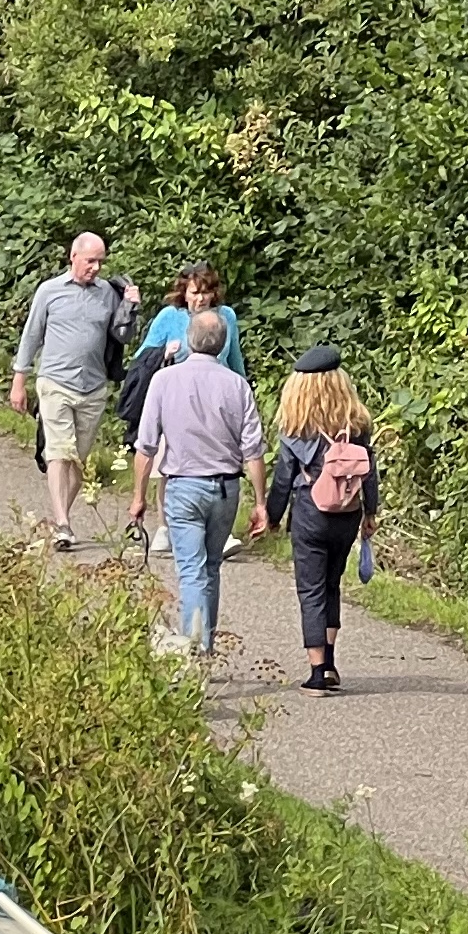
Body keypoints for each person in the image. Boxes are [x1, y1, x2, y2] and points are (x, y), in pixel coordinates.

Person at [129, 312, 266, 655]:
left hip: (184, 487)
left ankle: (196, 650)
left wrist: (138, 496)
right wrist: (261, 502)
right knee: (211, 567)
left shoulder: (164, 380)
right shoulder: (237, 385)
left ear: (190, 340)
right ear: (223, 344)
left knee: (191, 570)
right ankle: (206, 645)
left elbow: (146, 446)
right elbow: (253, 450)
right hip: (226, 488)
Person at [8, 231, 138, 552]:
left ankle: (59, 520)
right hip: (55, 383)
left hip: (93, 387)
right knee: (58, 452)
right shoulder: (49, 291)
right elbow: (31, 335)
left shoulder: (108, 293)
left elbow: (124, 336)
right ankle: (64, 524)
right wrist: (19, 381)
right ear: (74, 257)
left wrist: (130, 307)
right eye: (90, 261)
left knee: (78, 462)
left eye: (100, 262)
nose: (96, 267)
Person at [263, 347, 379, 691]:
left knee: (310, 589)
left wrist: (272, 517)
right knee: (331, 585)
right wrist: (370, 512)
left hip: (310, 512)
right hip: (347, 513)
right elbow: (370, 472)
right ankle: (330, 662)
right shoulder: (357, 424)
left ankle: (317, 671)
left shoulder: (296, 427)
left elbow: (283, 479)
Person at [118, 263, 246, 545]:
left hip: (216, 400)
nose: (201, 299)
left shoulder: (226, 317)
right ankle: (166, 527)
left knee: (220, 460)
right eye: (195, 293)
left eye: (206, 293)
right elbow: (142, 358)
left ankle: (220, 531)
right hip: (177, 399)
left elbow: (234, 358)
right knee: (172, 462)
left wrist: (243, 394)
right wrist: (166, 351)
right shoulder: (169, 317)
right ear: (184, 293)